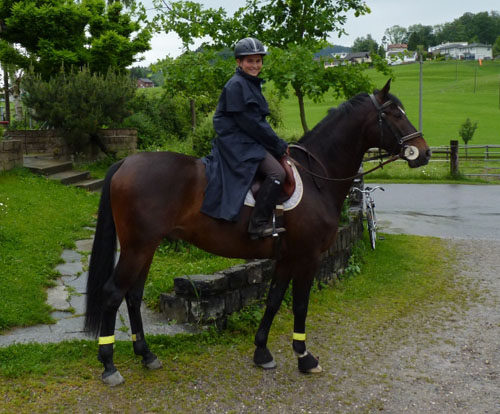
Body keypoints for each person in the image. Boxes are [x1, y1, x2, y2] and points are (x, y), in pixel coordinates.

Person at [201, 37, 289, 239]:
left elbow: (256, 123)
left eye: (258, 61)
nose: (255, 65)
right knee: (277, 173)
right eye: (250, 61)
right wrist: (278, 145)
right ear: (239, 62)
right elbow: (252, 124)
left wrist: (276, 143)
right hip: (238, 142)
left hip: (246, 138)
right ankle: (257, 225)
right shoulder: (237, 85)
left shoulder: (248, 83)